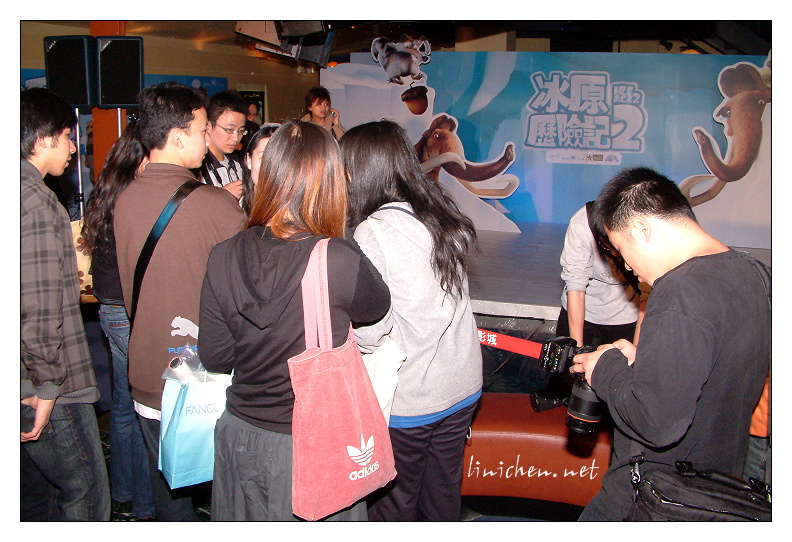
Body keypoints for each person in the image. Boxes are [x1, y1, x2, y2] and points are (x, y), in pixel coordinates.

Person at [198, 120, 390, 521]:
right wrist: (338, 232)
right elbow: (377, 306)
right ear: (332, 184)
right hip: (316, 444)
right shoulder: (336, 258)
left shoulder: (222, 254)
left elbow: (216, 357)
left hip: (242, 437)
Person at [570, 167, 770, 521]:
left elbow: (657, 423)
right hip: (717, 491)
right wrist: (642, 360)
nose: (626, 265)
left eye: (621, 249)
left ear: (642, 229)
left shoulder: (678, 292)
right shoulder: (754, 272)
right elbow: (714, 370)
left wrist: (606, 368)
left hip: (656, 499)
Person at [113, 82, 247, 521]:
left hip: (148, 369)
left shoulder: (125, 198)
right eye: (203, 129)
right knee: (229, 489)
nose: (208, 138)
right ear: (176, 136)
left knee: (169, 491)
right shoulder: (215, 205)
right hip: (206, 378)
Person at [341, 120, 482, 521]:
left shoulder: (374, 230)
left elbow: (373, 330)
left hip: (413, 398)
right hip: (462, 386)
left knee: (395, 508)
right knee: (441, 499)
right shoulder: (438, 209)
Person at [20, 87, 111, 521]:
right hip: (48, 384)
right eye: (66, 137)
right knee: (86, 493)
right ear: (42, 140)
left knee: (35, 499)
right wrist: (46, 387)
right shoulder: (36, 202)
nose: (74, 148)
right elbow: (36, 309)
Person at [80, 121, 155, 519]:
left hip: (109, 306)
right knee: (144, 407)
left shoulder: (107, 188)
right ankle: (144, 504)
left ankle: (123, 491)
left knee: (125, 405)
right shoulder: (137, 196)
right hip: (129, 308)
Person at [557, 203, 644, 347]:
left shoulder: (644, 226)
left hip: (627, 312)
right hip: (582, 307)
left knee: (623, 360)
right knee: (567, 358)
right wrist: (576, 351)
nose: (615, 254)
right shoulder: (583, 222)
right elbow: (575, 286)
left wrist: (636, 351)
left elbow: (647, 292)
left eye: (619, 249)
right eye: (609, 248)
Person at [196, 90, 247, 200]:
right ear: (208, 126)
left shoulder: (239, 164)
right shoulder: (197, 168)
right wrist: (222, 197)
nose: (236, 138)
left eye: (240, 131)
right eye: (229, 130)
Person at [240, 123, 280, 215]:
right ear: (249, 160)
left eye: (277, 159)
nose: (269, 167)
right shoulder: (234, 208)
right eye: (263, 158)